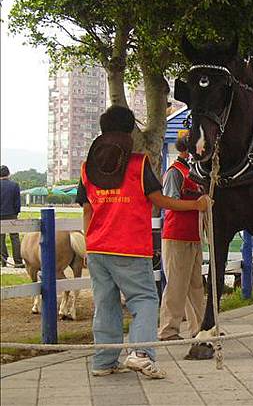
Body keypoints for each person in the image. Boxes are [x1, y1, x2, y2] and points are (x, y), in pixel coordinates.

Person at [77, 106, 211, 379]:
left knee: (105, 304)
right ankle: (140, 354)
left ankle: (104, 361)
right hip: (129, 247)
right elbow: (159, 201)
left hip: (98, 247)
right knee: (145, 299)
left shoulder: (87, 167)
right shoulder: (138, 165)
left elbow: (87, 209)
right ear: (129, 132)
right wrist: (196, 204)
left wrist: (89, 244)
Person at [159, 131, 205, 341]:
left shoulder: (195, 172)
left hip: (193, 235)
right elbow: (169, 202)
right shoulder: (175, 172)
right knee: (176, 284)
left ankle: (200, 327)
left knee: (196, 284)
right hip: (177, 234)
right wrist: (196, 204)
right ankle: (168, 329)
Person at [0, 165, 24, 268]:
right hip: (11, 214)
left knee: (1, 238)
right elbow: (17, 203)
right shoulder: (14, 185)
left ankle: (3, 261)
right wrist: (16, 213)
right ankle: (18, 261)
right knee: (14, 238)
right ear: (8, 174)